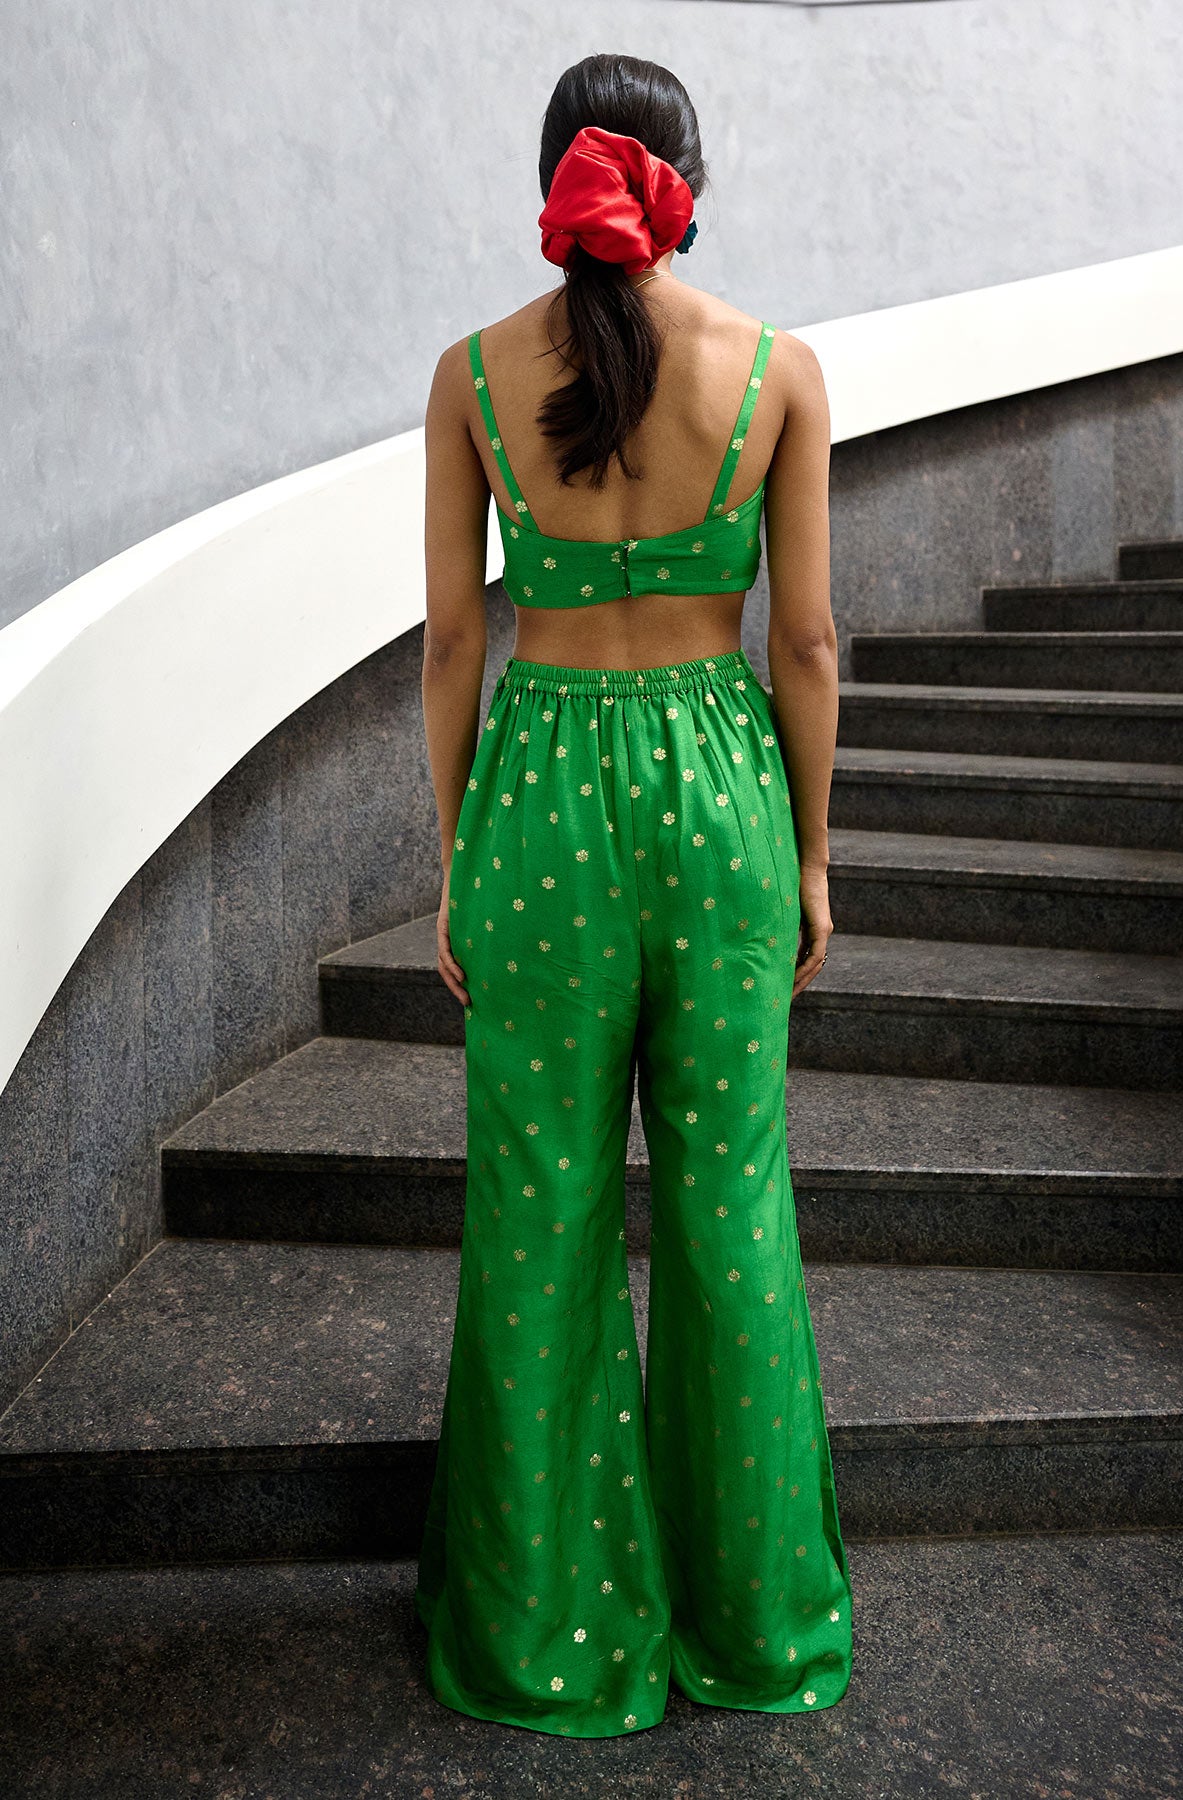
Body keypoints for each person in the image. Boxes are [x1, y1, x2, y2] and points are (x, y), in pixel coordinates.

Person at [415, 51, 851, 1738]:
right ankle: (752, 1626)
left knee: (542, 1209)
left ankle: (544, 1635)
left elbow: (454, 640)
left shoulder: (470, 375)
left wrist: (455, 854)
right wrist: (810, 852)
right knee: (731, 1207)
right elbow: (803, 642)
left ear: (555, 187)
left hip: (537, 801)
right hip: (723, 800)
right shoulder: (780, 369)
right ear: (689, 184)